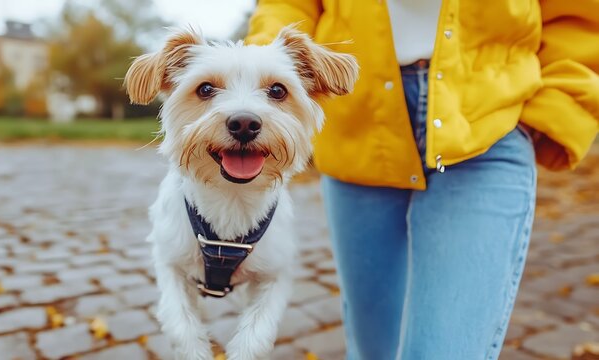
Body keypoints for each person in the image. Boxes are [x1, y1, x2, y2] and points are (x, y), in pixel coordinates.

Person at [245, 1, 599, 359]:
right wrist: (259, 74)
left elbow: (576, 16)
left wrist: (557, 106)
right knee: (372, 350)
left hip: (488, 120)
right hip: (359, 119)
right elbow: (289, 5)